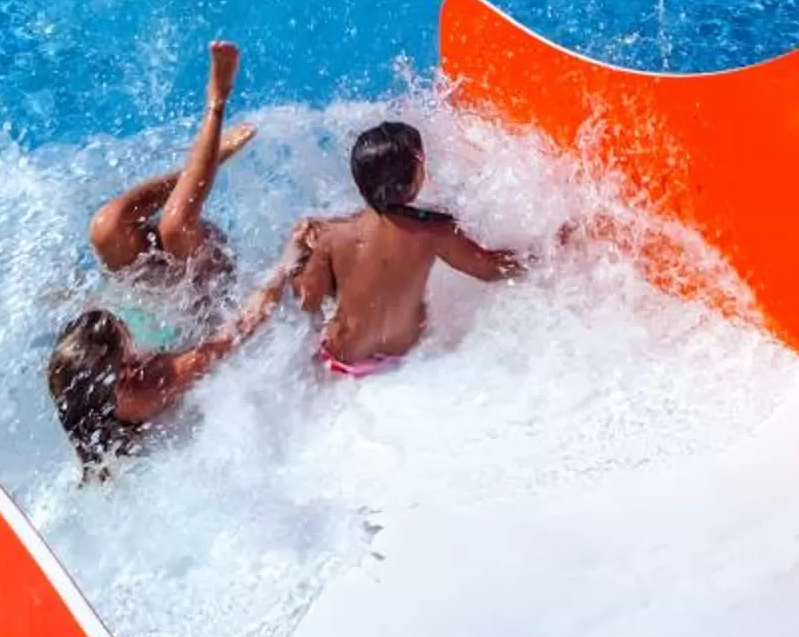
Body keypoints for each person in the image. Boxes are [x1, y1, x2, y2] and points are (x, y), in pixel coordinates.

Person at [278, 119, 526, 378]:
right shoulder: (434, 231)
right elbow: (490, 269)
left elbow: (307, 299)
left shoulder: (330, 234)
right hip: (406, 366)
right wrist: (545, 254)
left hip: (340, 361)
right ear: (415, 175)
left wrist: (298, 259)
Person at [46, 277, 283, 473]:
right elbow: (241, 328)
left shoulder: (76, 395)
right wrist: (285, 266)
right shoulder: (156, 383)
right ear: (126, 370)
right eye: (125, 331)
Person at [87, 40, 253, 284]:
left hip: (150, 282)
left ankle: (202, 162)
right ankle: (217, 101)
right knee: (176, 227)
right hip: (203, 286)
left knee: (106, 226)